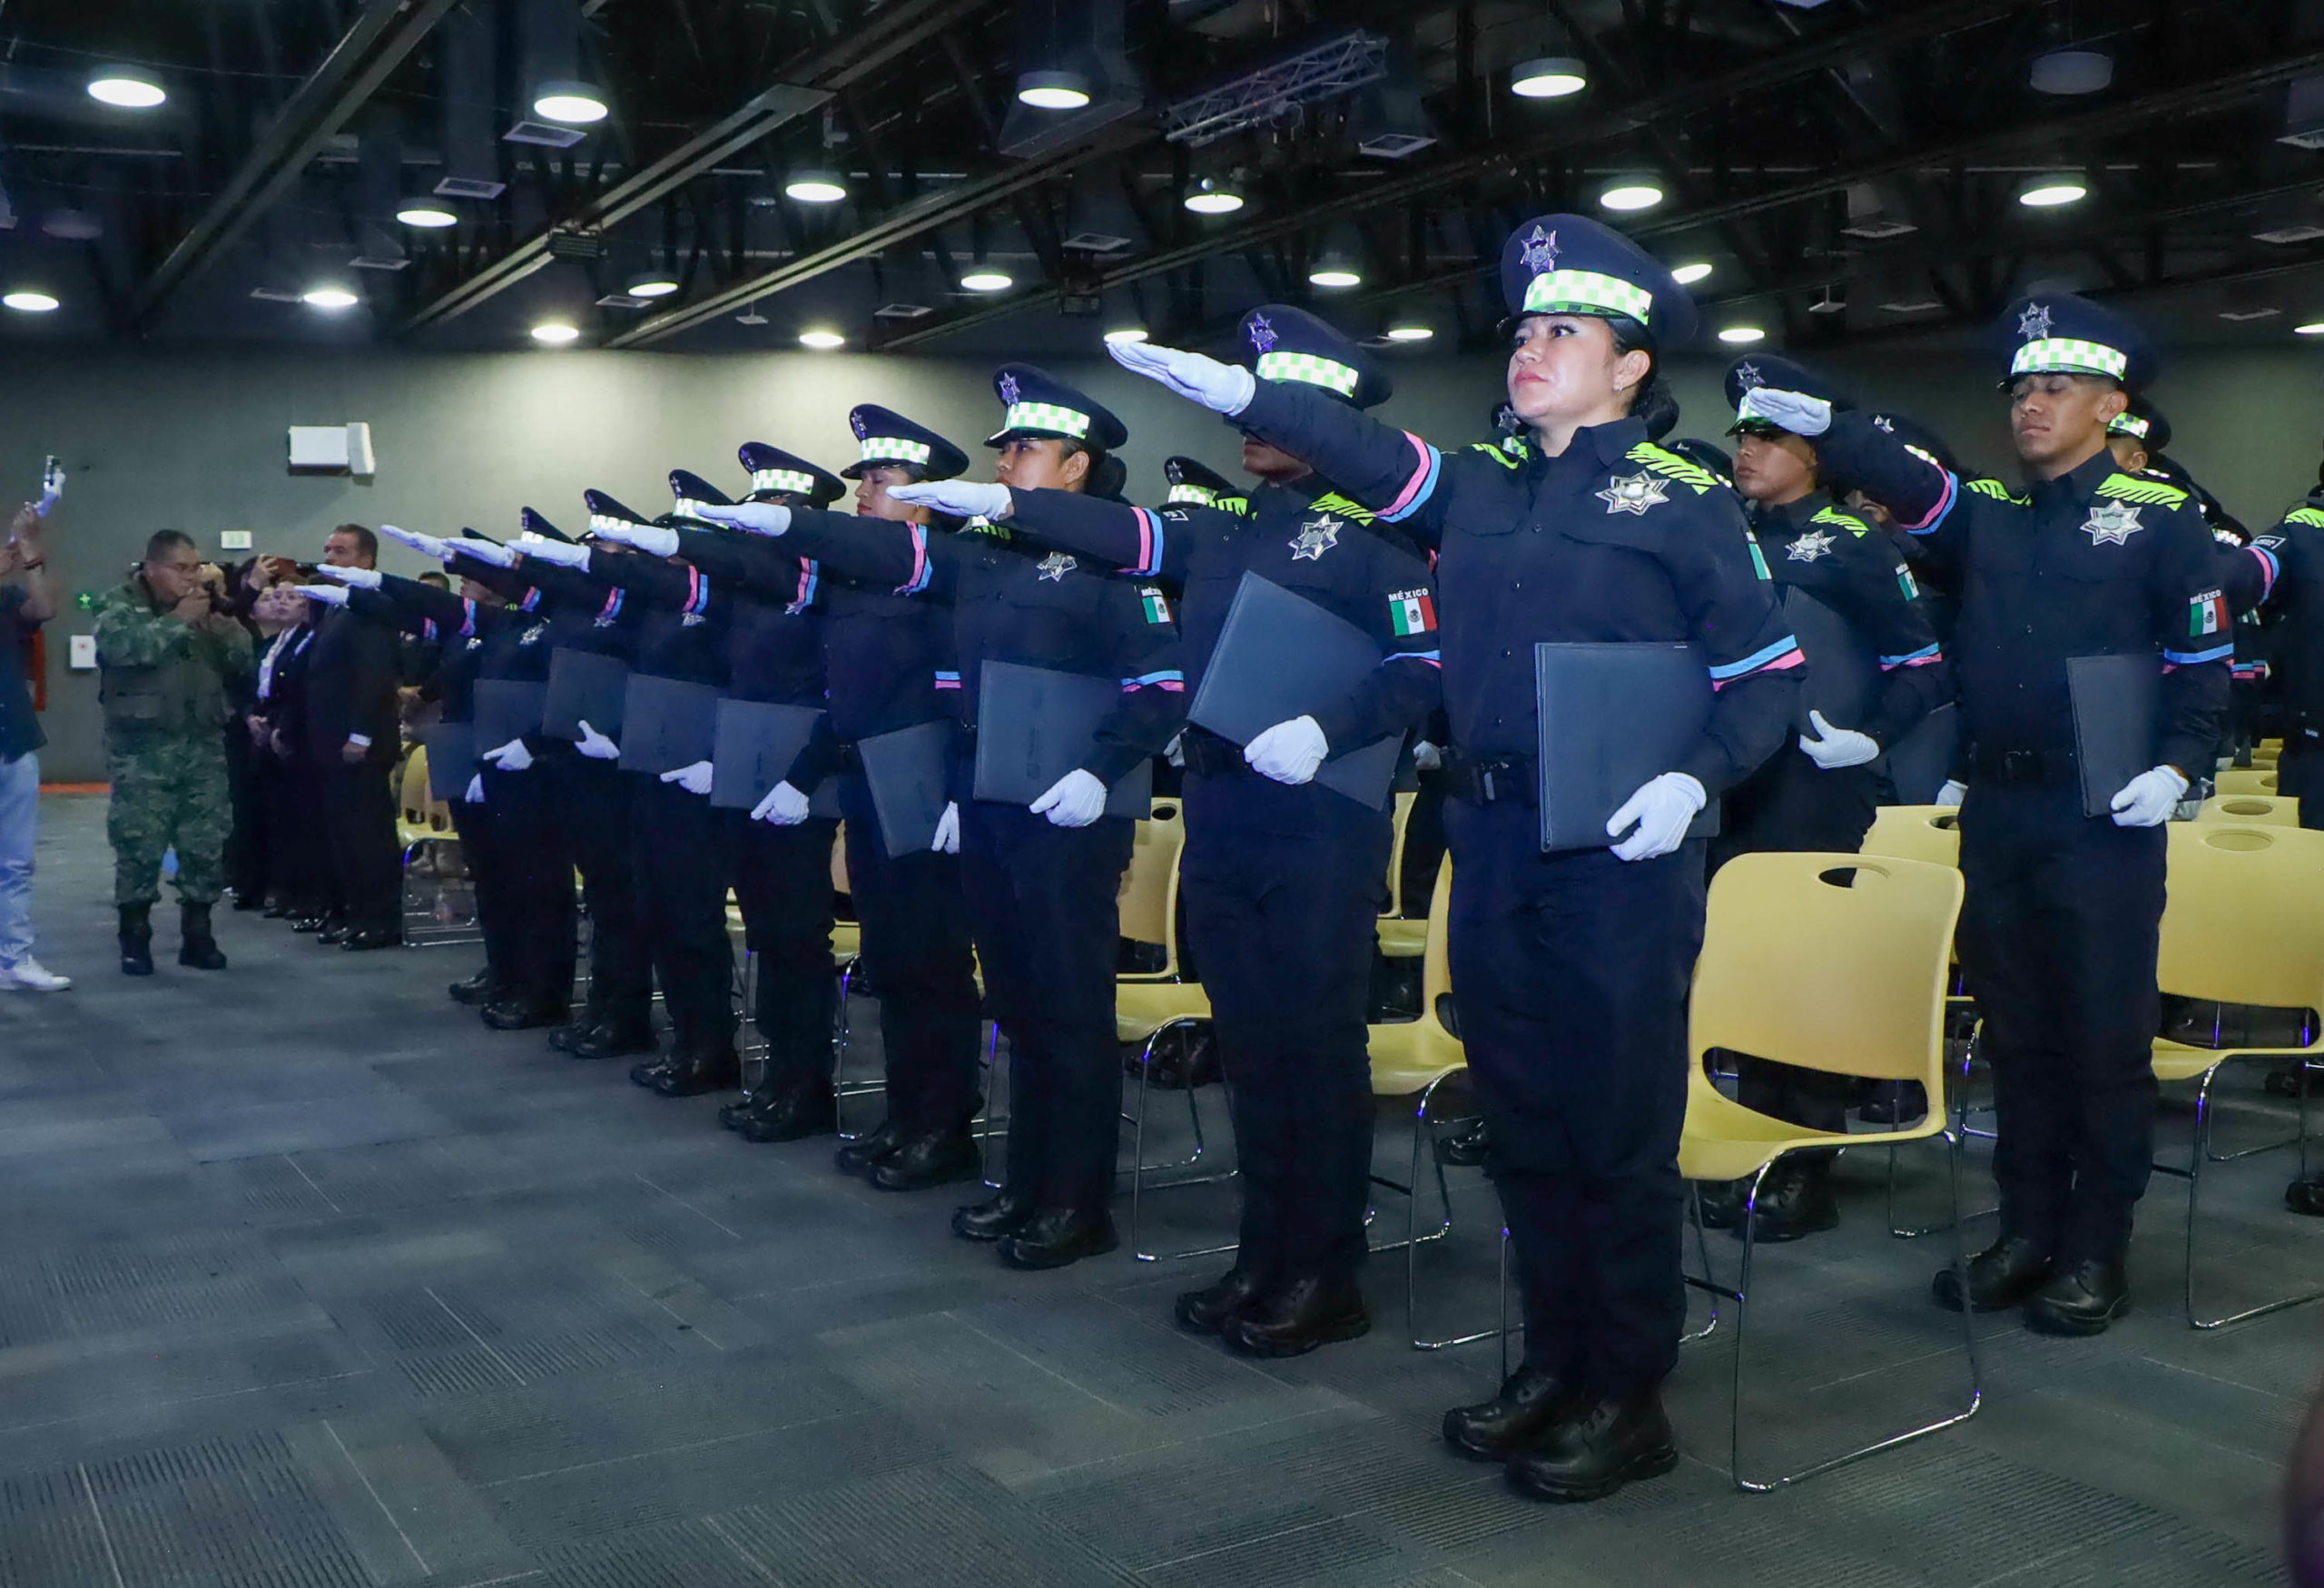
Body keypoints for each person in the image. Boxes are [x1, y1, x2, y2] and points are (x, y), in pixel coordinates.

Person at [1108, 215, 1799, 1500]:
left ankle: (1627, 1385)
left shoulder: (1687, 501)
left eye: (1565, 332)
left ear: (1631, 365)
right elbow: (1377, 455)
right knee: (1525, 1115)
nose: (1532, 350)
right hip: (1490, 836)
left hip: (1617, 846)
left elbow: (1766, 677)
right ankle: (1554, 1356)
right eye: (1526, 329)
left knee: (1614, 1122)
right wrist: (1252, 399)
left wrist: (1693, 779)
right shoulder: (1478, 485)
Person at [895, 310, 1442, 1354]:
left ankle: (1325, 1271)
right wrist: (995, 501)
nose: (1250, 422)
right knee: (1249, 1044)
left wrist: (1328, 727)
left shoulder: (1379, 534)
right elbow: (1123, 534)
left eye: (1279, 405)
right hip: (1226, 806)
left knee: (1311, 1048)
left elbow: (1426, 664)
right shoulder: (1229, 526)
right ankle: (1264, 1254)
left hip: (1321, 811)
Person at [1756, 291, 2230, 1336]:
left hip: (2102, 806)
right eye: (2019, 388)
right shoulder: (1991, 518)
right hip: (2001, 807)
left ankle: (2096, 1242)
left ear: (2110, 404)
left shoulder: (2159, 519)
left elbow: (2202, 663)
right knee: (2018, 1031)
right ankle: (2025, 1226)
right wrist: (1831, 427)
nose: (2030, 405)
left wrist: (2180, 764)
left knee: (2100, 1036)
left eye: (2056, 387)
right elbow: (1907, 481)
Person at [687, 369, 1186, 1269]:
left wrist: (1098, 770)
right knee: (1021, 1008)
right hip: (991, 802)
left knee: (1069, 1009)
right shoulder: (987, 557)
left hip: (1068, 815)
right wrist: (786, 525)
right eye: (1001, 445)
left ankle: (1077, 1201)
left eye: (1022, 447)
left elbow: (1160, 689)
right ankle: (1028, 1182)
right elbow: (939, 652)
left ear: (1075, 467)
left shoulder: (1117, 562)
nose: (1003, 457)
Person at [655, 412, 982, 1180]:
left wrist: (962, 788)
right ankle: (906, 1114)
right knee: (893, 960)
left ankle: (944, 1123)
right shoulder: (859, 584)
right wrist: (801, 779)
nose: (864, 489)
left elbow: (967, 692)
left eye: (881, 478)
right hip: (871, 783)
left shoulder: (950, 574)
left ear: (928, 497)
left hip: (928, 787)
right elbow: (847, 703)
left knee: (934, 962)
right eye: (864, 477)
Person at [1699, 354, 1951, 1244]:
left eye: (1768, 435)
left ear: (1813, 450)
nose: (1747, 450)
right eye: (1742, 435)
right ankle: (1753, 1143)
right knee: (1745, 969)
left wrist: (1871, 739)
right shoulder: (1723, 532)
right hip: (1732, 781)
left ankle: (1809, 1158)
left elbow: (1920, 663)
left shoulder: (1851, 542)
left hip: (1817, 778)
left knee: (1806, 973)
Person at [449, 512, 657, 1061]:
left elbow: (616, 686)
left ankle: (620, 1012)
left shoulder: (626, 611)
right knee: (599, 898)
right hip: (566, 765)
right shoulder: (564, 612)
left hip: (609, 767)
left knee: (614, 899)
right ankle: (599, 1007)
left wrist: (545, 742)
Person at [94, 530, 255, 974]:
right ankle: (135, 936)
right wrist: (177, 620)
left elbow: (243, 663)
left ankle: (198, 934)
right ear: (151, 568)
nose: (192, 577)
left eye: (196, 567)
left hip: (202, 744)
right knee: (139, 845)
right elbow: (121, 648)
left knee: (205, 844)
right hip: (142, 750)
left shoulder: (204, 608)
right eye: (181, 568)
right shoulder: (118, 605)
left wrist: (223, 625)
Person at [303, 525, 404, 950]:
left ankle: (380, 920)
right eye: (327, 549)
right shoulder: (335, 605)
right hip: (333, 741)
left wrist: (360, 734)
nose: (331, 557)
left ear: (367, 561)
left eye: (341, 551)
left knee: (368, 836)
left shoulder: (371, 606)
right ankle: (355, 913)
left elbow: (374, 675)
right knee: (344, 835)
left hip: (360, 743)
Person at [0, 500, 64, 991]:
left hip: (13, 739)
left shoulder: (7, 601)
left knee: (16, 860)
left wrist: (34, 553)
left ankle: (13, 958)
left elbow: (43, 608)